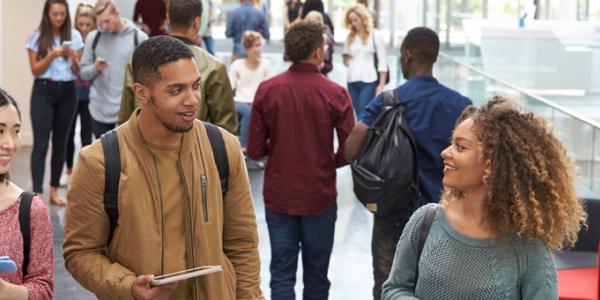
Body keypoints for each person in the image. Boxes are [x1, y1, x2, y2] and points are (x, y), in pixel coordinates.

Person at [64, 36, 263, 299]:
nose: (192, 100)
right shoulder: (100, 161)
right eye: (176, 90)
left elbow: (243, 245)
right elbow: (80, 252)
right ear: (141, 93)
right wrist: (128, 286)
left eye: (196, 86)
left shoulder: (223, 148)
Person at [382, 96, 588, 299]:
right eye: (451, 144)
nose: (445, 152)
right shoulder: (425, 221)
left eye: (460, 147)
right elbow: (395, 288)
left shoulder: (528, 248)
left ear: (494, 163)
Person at [344, 27, 472, 300]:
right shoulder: (460, 105)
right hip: (446, 213)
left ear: (407, 55)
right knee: (440, 288)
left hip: (393, 210)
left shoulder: (389, 101)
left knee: (389, 284)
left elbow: (350, 148)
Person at [248, 21, 355, 299]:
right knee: (317, 277)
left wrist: (280, 145)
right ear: (318, 53)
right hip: (318, 194)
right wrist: (329, 161)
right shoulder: (336, 94)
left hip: (279, 194)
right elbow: (351, 148)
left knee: (281, 275)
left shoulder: (267, 90)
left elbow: (256, 150)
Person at [119, 0, 239, 135]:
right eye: (176, 90)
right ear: (197, 22)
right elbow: (225, 127)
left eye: (196, 86)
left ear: (168, 17)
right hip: (193, 150)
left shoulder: (138, 61)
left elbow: (125, 116)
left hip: (141, 147)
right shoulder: (213, 66)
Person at [26, 0, 83, 205]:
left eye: (62, 14)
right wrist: (52, 54)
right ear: (47, 14)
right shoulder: (37, 36)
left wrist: (72, 57)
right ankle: (37, 194)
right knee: (41, 145)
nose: (59, 18)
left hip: (68, 92)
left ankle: (53, 191)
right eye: (55, 14)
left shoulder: (75, 36)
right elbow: (35, 70)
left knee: (60, 143)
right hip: (43, 91)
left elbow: (78, 72)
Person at [0, 88, 54, 299]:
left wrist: (5, 291)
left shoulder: (30, 209)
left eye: (16, 130)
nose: (10, 144)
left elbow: (44, 289)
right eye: (0, 130)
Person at [80, 0, 148, 139]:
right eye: (100, 22)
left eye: (107, 21)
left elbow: (148, 77)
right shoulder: (94, 38)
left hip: (127, 112)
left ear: (117, 14)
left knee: (127, 158)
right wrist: (95, 68)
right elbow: (84, 73)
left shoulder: (139, 38)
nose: (104, 26)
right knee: (105, 158)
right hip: (99, 110)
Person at [63, 3, 96, 186]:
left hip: (90, 94)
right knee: (68, 133)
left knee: (86, 135)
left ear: (93, 24)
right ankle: (68, 170)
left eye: (87, 25)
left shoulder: (96, 42)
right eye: (81, 24)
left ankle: (84, 173)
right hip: (72, 92)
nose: (83, 28)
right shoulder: (72, 41)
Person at [229, 30, 272, 152]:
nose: (256, 49)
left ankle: (244, 146)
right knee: (249, 111)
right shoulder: (237, 65)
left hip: (258, 102)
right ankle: (244, 146)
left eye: (258, 45)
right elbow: (230, 87)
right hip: (239, 102)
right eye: (253, 46)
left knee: (252, 110)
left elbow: (269, 88)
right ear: (246, 48)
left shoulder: (266, 65)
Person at [343, 3, 387, 118]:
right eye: (351, 21)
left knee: (363, 116)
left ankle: (363, 136)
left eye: (355, 20)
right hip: (352, 81)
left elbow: (382, 62)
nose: (353, 23)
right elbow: (346, 62)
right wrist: (346, 60)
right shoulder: (349, 37)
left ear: (363, 18)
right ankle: (366, 136)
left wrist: (381, 85)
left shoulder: (375, 35)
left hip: (369, 81)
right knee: (359, 115)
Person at [304, 11, 333, 76]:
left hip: (320, 76)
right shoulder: (302, 41)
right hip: (304, 76)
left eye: (316, 25)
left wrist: (323, 66)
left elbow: (329, 66)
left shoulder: (327, 42)